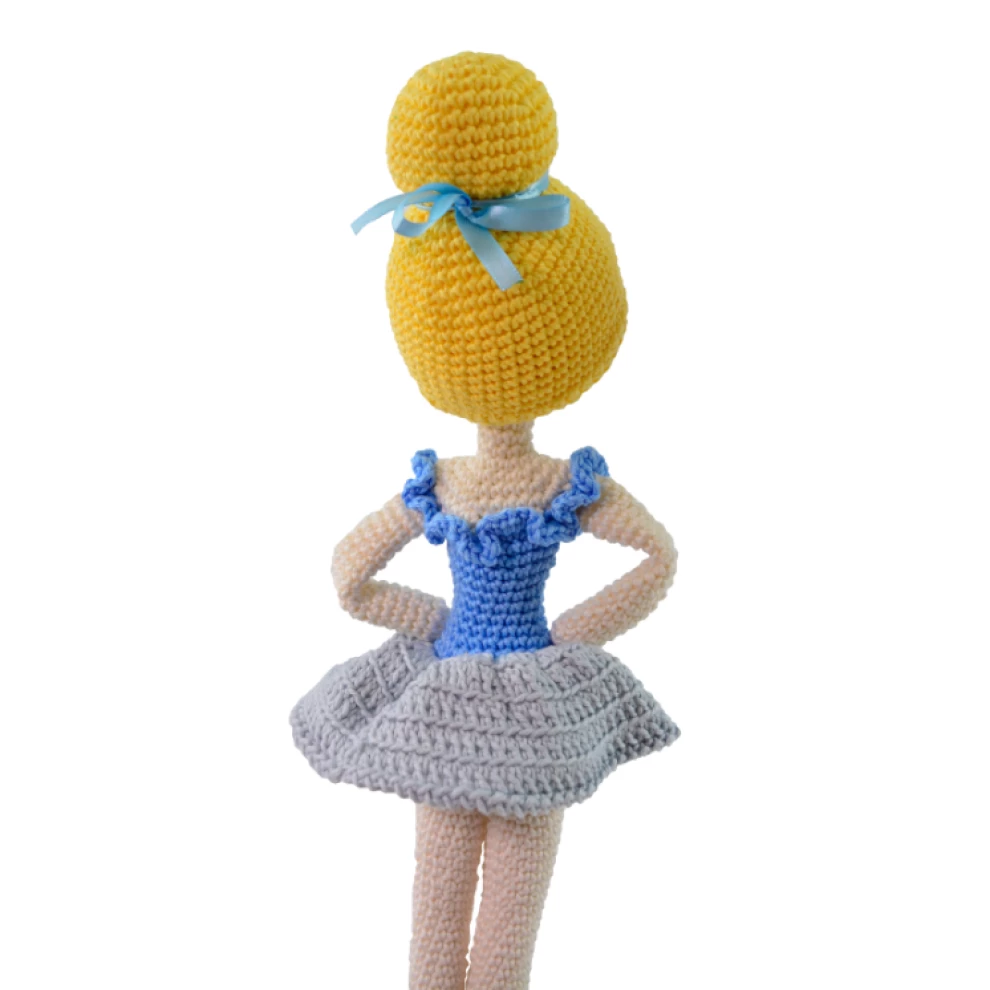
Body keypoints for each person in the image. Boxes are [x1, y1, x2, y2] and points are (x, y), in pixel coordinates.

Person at [291, 51, 680, 990]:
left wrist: (437, 624)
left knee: (435, 897)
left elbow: (349, 580)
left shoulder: (441, 486)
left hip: (448, 691)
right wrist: (567, 638)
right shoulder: (562, 484)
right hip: (536, 704)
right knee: (512, 914)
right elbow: (658, 558)